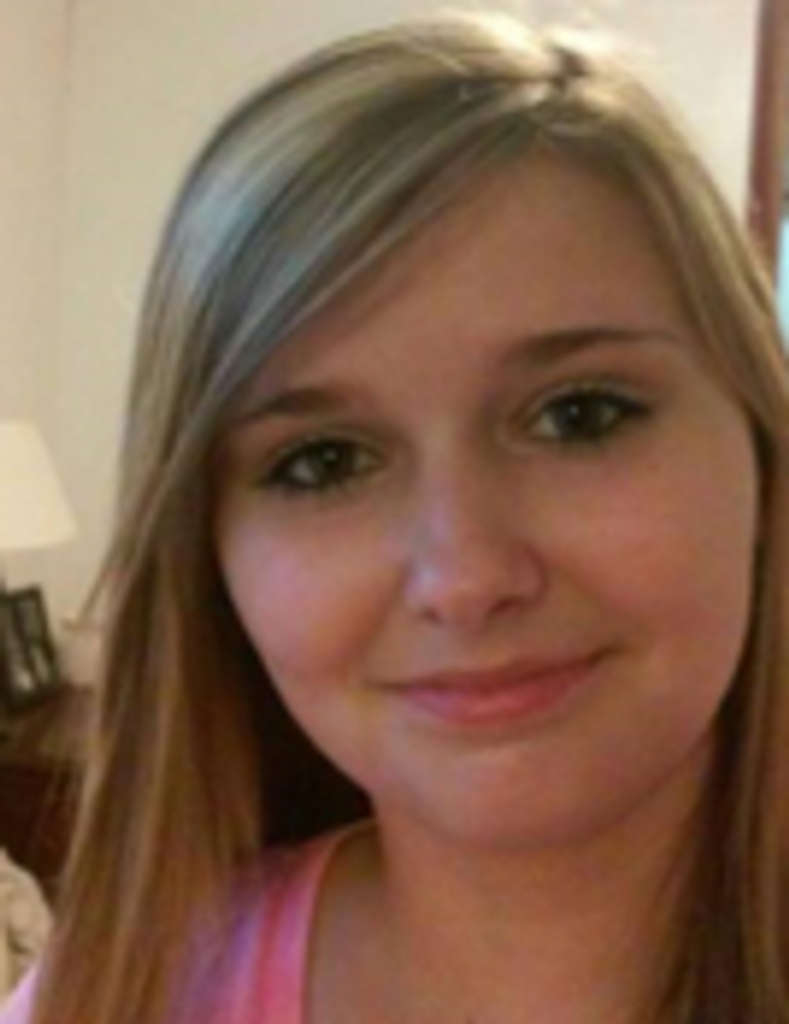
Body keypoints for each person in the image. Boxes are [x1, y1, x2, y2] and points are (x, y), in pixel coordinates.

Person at [4, 10, 789, 1023]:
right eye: (323, 461)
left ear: (758, 450)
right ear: (209, 561)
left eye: (579, 414)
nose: (465, 577)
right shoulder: (120, 995)